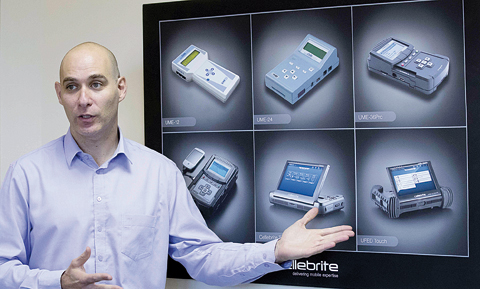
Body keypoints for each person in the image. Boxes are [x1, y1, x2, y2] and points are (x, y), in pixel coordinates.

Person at [0, 42, 354, 289]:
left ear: (120, 88)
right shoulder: (26, 175)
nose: (84, 100)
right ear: (59, 94)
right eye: (71, 87)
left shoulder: (160, 173)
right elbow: (3, 271)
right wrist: (57, 282)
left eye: (96, 84)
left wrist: (275, 251)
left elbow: (203, 257)